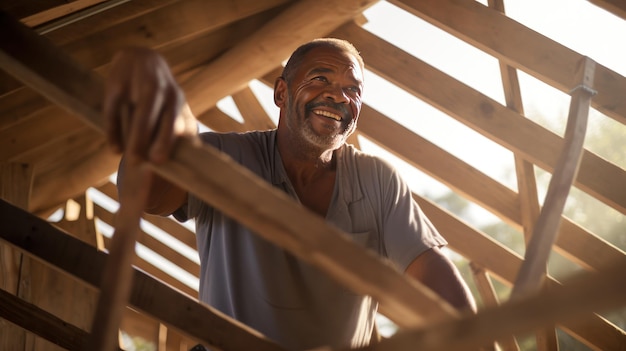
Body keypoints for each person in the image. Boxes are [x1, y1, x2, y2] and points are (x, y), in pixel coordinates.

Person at [105, 38, 476, 350]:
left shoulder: (377, 179)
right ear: (281, 93)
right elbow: (146, 196)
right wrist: (170, 123)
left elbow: (439, 285)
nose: (339, 96)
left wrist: (475, 338)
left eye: (353, 89)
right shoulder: (223, 158)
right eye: (320, 78)